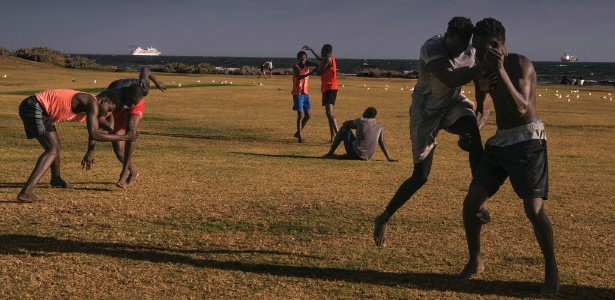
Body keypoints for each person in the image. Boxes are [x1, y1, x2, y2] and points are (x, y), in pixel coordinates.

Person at [456, 18, 560, 295]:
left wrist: (500, 71)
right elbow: (484, 110)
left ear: (496, 45)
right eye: (473, 49)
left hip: (527, 138)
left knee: (533, 210)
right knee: (471, 205)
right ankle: (475, 260)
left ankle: (551, 270)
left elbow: (520, 107)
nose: (475, 54)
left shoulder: (520, 64)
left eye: (479, 48)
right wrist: (472, 131)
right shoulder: (482, 71)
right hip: (501, 141)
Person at [373, 16, 494, 247]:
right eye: (454, 46)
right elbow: (448, 78)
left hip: (452, 103)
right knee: (421, 176)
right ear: (447, 36)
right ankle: (384, 216)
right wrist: (482, 67)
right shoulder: (432, 47)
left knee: (474, 135)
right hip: (425, 110)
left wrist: (475, 119)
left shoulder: (469, 53)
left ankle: (480, 200)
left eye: (462, 47)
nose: (458, 51)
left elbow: (481, 95)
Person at [17, 89, 139, 203]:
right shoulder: (90, 102)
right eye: (108, 109)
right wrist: (124, 137)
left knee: (55, 147)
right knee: (53, 148)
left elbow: (109, 127)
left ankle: (56, 179)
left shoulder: (93, 105)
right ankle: (26, 192)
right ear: (104, 101)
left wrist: (110, 112)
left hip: (40, 110)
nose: (106, 113)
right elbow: (95, 134)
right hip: (34, 106)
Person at [82, 67, 165, 188]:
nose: (131, 105)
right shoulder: (113, 98)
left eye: (133, 103)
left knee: (131, 132)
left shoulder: (143, 89)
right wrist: (91, 149)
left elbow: (145, 70)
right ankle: (133, 170)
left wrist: (157, 82)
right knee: (118, 150)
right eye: (130, 102)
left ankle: (123, 173)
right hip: (119, 104)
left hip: (134, 101)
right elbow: (94, 121)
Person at [322, 107, 397, 162]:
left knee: (344, 129)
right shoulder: (379, 126)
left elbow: (346, 124)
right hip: (367, 156)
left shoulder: (361, 121)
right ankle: (348, 156)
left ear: (365, 113)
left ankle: (330, 153)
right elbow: (382, 142)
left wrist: (355, 126)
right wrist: (389, 158)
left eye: (364, 112)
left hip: (355, 152)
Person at [303, 44, 339, 142]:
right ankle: (333, 138)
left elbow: (319, 72)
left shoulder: (328, 59)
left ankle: (339, 135)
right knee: (328, 113)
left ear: (326, 51)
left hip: (331, 87)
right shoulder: (328, 58)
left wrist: (314, 69)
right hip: (327, 88)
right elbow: (319, 58)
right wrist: (311, 49)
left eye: (322, 49)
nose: (321, 51)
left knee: (329, 112)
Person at [291, 51, 318, 143]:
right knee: (300, 114)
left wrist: (316, 64)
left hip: (305, 93)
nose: (303, 60)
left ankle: (298, 132)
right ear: (298, 58)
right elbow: (298, 77)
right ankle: (300, 137)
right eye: (301, 58)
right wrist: (309, 73)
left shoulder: (307, 64)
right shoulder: (295, 67)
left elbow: (317, 64)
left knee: (308, 115)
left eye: (304, 58)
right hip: (297, 93)